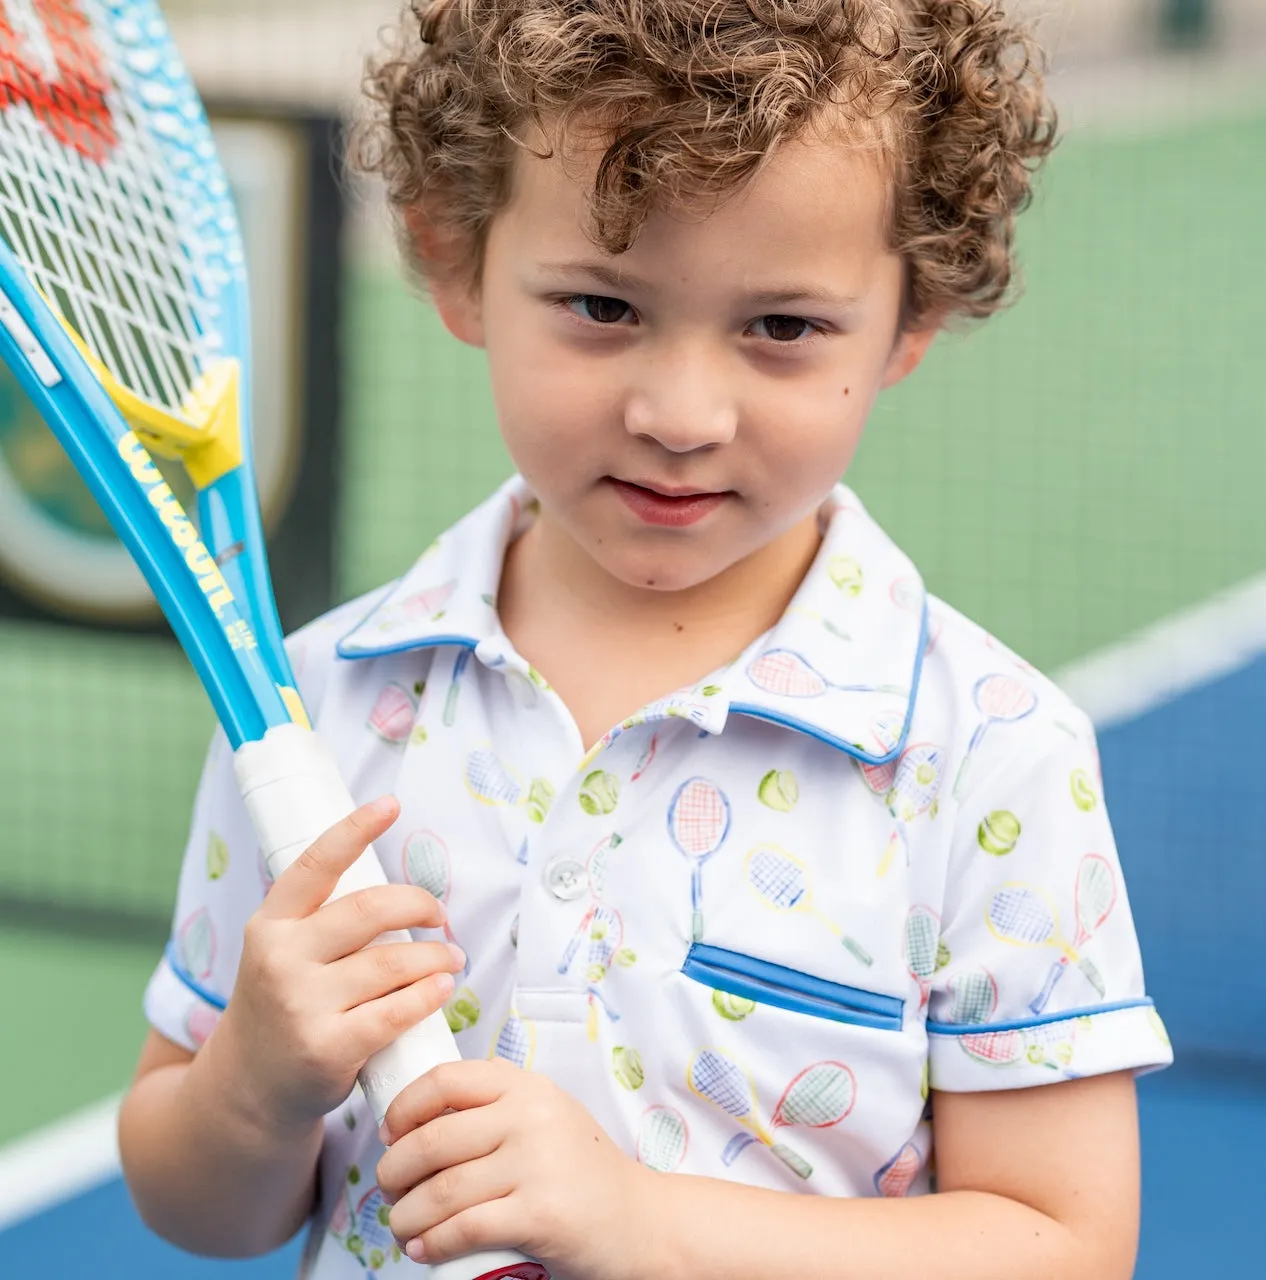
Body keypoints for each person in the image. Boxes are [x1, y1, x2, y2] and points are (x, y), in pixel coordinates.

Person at [118, 2, 1173, 1277]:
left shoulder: (995, 754)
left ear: (912, 319)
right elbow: (200, 1207)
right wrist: (255, 1084)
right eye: (602, 306)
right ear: (453, 258)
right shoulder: (315, 710)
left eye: (782, 327)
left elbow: (1066, 1242)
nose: (681, 414)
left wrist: (641, 1221)